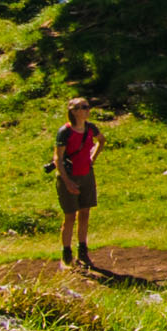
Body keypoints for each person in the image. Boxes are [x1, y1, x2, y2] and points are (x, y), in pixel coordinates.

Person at [51, 98, 102, 266]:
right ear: (73, 111)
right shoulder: (64, 132)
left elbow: (102, 140)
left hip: (86, 174)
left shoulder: (90, 128)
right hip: (69, 175)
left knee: (85, 214)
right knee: (70, 216)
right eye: (83, 107)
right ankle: (66, 252)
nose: (87, 110)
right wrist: (67, 181)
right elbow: (58, 158)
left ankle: (82, 249)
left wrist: (92, 158)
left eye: (87, 107)